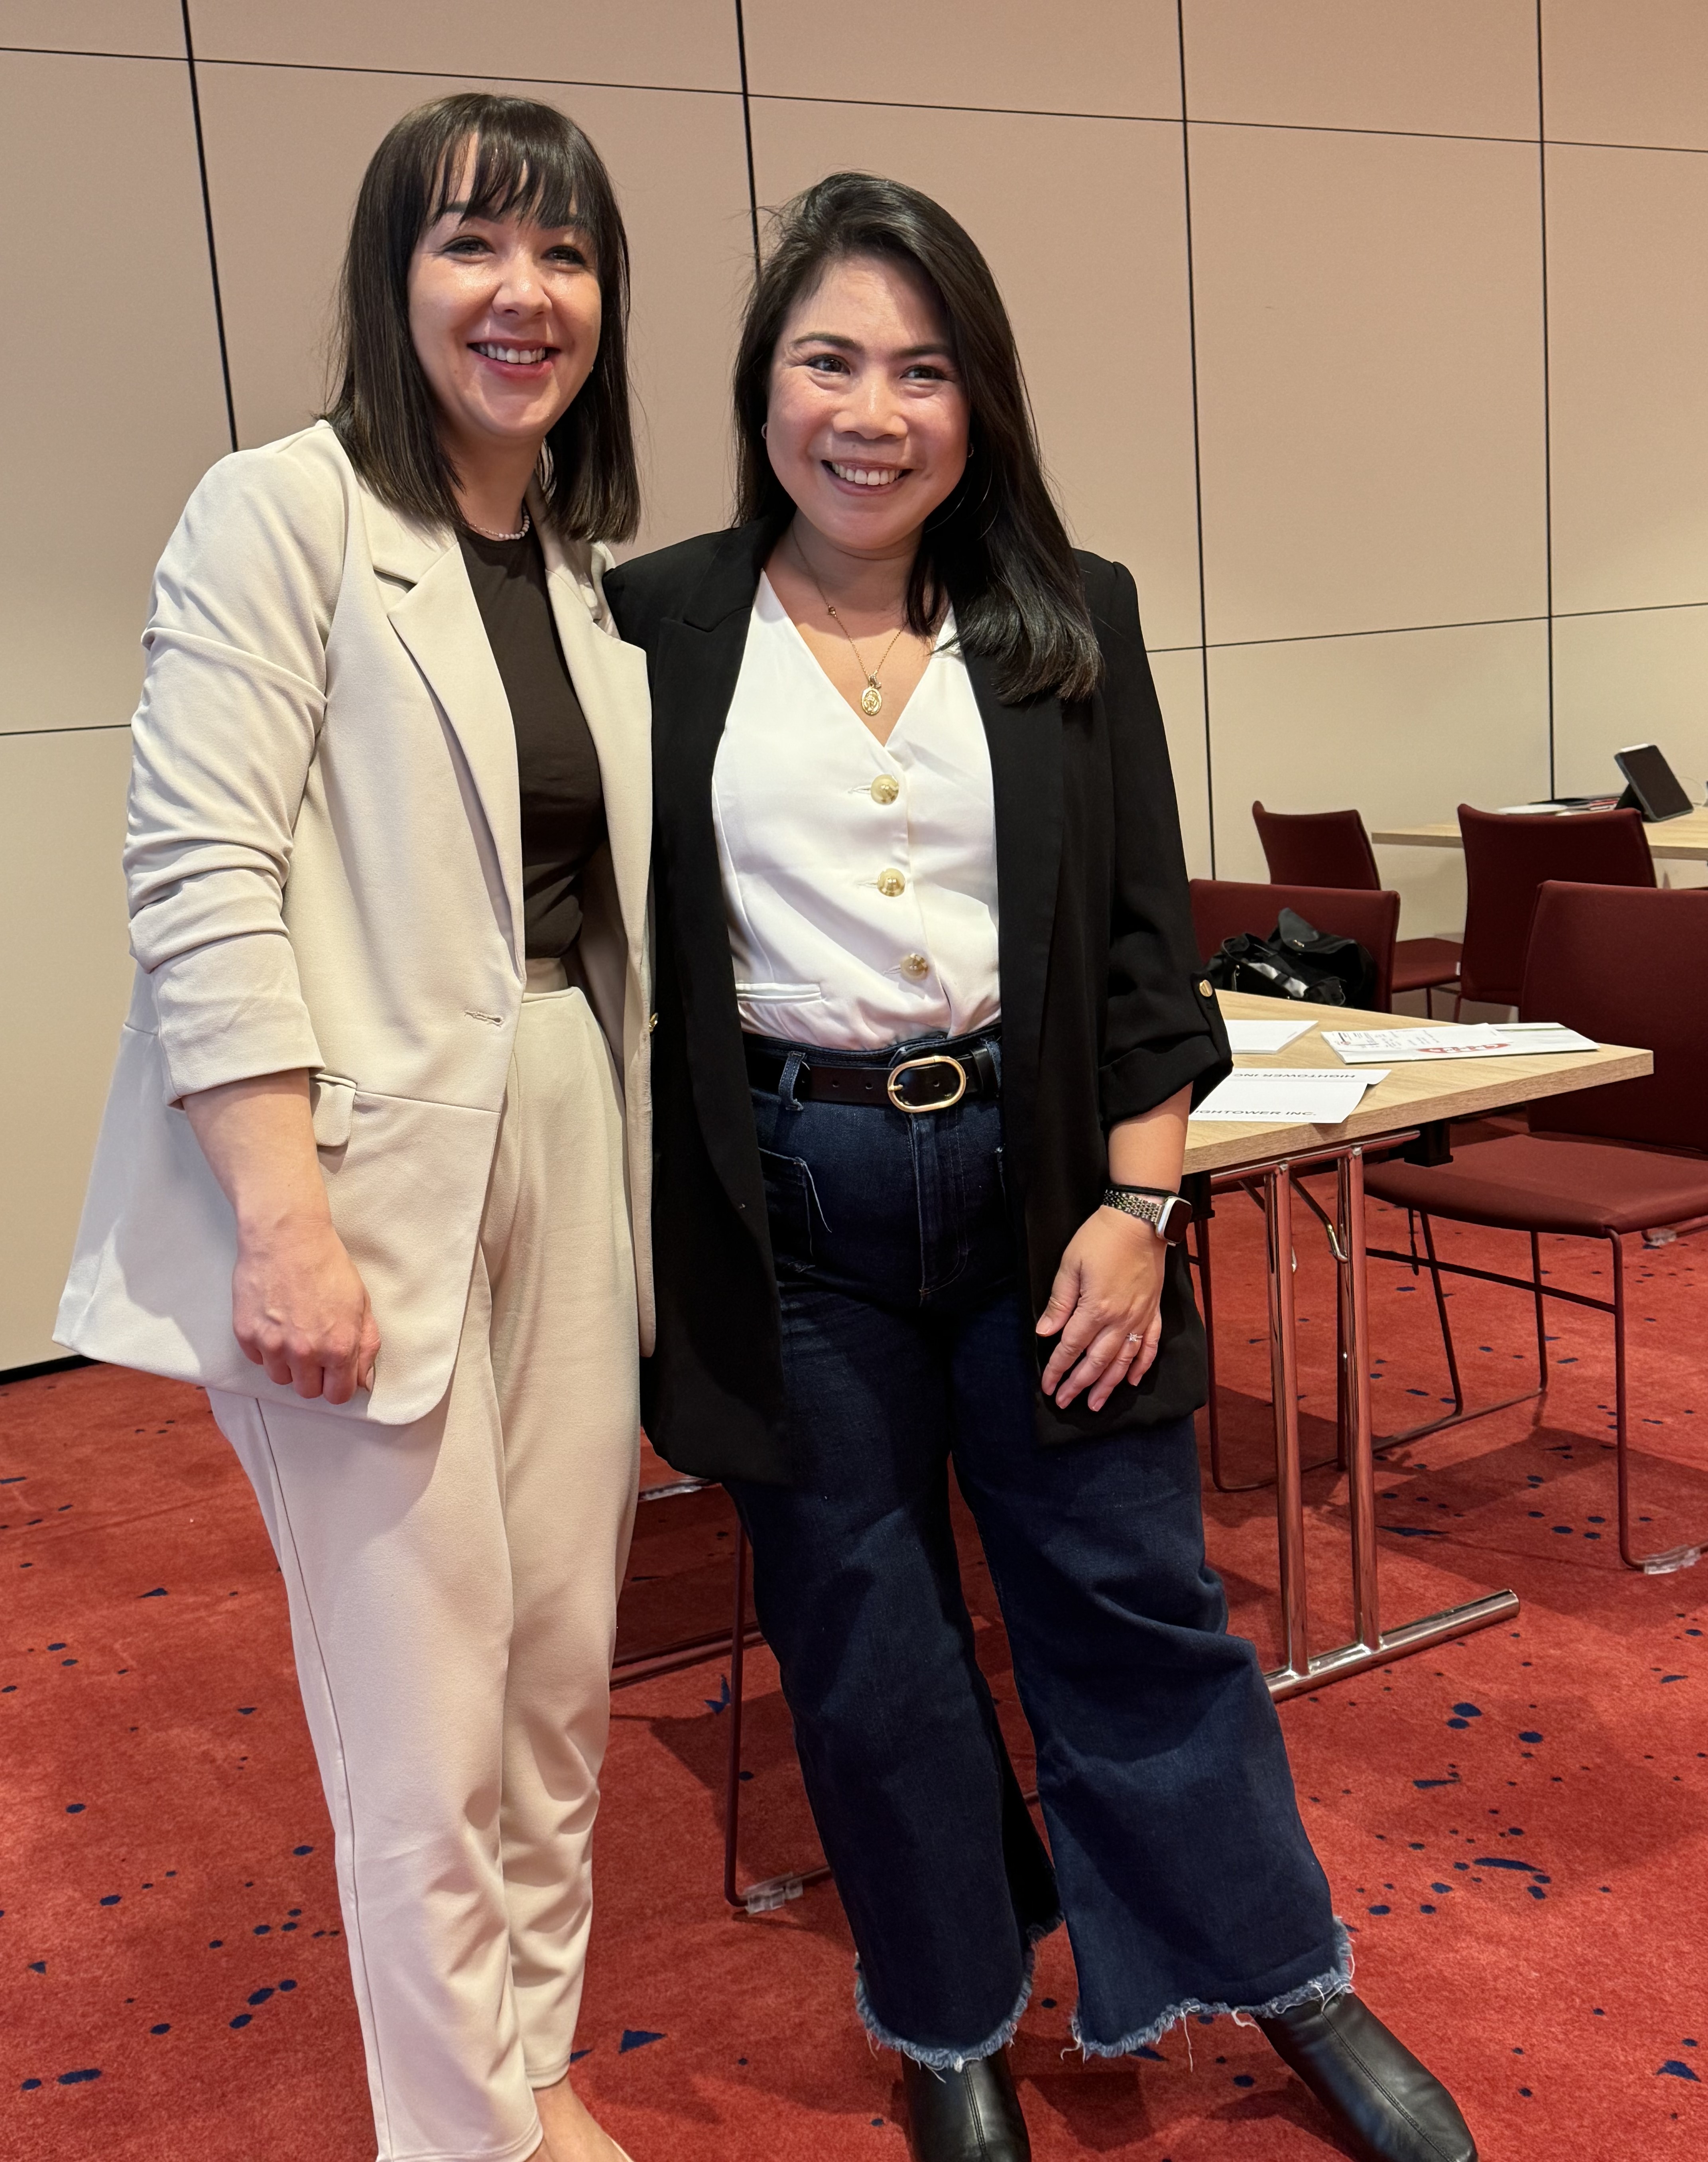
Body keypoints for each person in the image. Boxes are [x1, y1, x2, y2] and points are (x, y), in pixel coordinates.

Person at [606, 174, 1476, 2162]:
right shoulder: (655, 624)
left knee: (1132, 1594)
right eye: (828, 361)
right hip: (789, 1209)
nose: (871, 412)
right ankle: (950, 2020)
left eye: (922, 370)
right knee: (866, 1643)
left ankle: (1284, 1972)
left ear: (977, 399)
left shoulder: (1070, 614)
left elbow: (1148, 951)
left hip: (1042, 1185)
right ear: (760, 388)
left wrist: (1137, 1210)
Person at [59, 93, 649, 2162]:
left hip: (566, 1121)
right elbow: (201, 871)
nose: (522, 292)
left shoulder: (579, 575)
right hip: (358, 1154)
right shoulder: (280, 512)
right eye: (471, 243)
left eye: (564, 253)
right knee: (425, 1708)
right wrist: (279, 1216)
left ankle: (533, 2074)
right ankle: (461, 2136)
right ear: (391, 278)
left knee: (559, 1663)